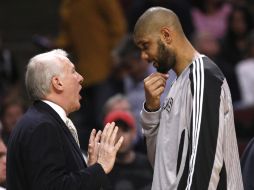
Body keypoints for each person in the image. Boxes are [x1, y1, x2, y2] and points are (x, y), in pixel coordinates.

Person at [133, 7, 243, 189]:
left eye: (145, 46)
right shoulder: (178, 85)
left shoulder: (203, 76)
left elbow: (204, 163)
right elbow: (161, 165)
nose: (144, 56)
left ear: (166, 35)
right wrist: (152, 109)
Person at [6, 49, 124, 190]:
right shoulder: (42, 126)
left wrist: (89, 169)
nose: (80, 78)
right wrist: (100, 167)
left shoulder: (41, 120)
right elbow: (53, 187)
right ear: (57, 83)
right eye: (73, 71)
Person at [103, 110, 153, 190]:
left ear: (133, 133)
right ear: (105, 134)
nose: (120, 136)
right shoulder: (102, 170)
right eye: (114, 131)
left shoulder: (149, 164)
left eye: (125, 130)